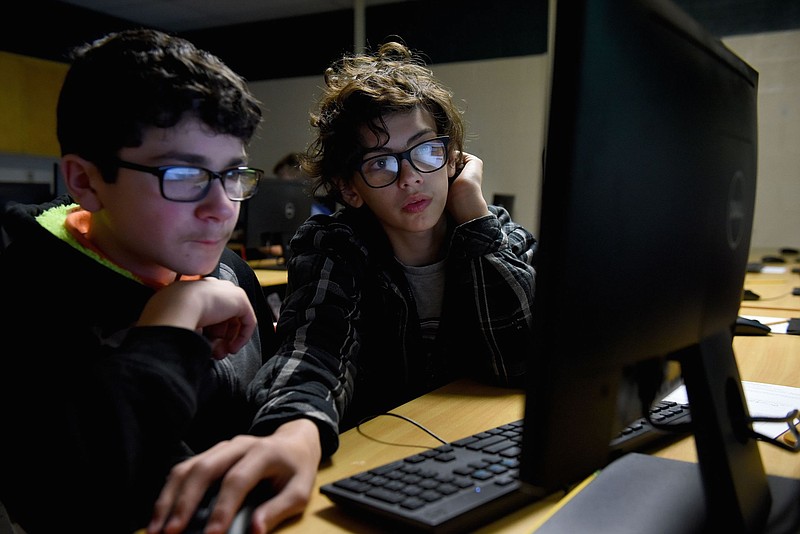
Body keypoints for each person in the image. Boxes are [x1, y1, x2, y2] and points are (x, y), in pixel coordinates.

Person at [0, 29, 334, 534]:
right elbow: (71, 501)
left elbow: (269, 390)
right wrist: (172, 326)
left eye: (233, 173)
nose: (221, 208)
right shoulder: (25, 297)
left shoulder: (227, 270)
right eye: (182, 175)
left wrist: (294, 429)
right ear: (86, 181)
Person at [263, 40, 537, 434]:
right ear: (350, 189)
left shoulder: (498, 235)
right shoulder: (334, 246)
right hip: (378, 455)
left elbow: (524, 363)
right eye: (380, 163)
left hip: (478, 440)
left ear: (453, 158)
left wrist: (474, 216)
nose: (410, 178)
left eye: (425, 151)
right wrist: (295, 427)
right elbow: (313, 349)